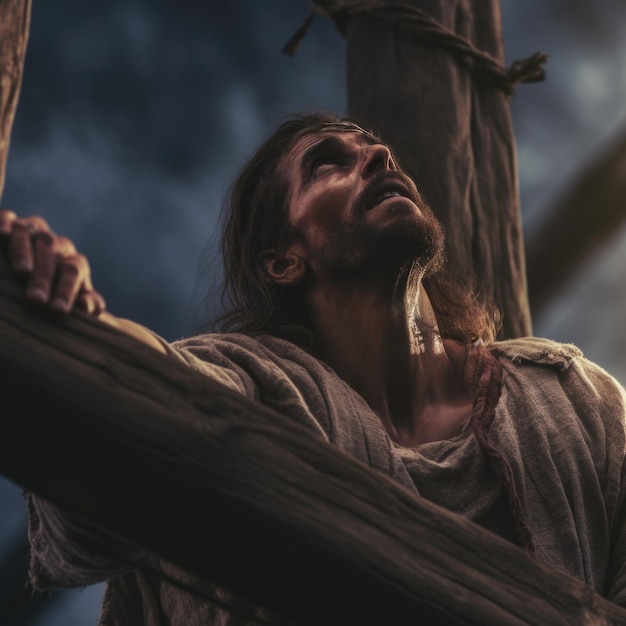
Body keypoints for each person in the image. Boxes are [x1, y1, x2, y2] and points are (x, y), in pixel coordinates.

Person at [2, 112, 625, 624]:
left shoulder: (573, 400)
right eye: (329, 162)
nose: (381, 158)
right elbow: (164, 392)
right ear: (283, 261)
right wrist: (58, 310)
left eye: (380, 150)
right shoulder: (262, 387)